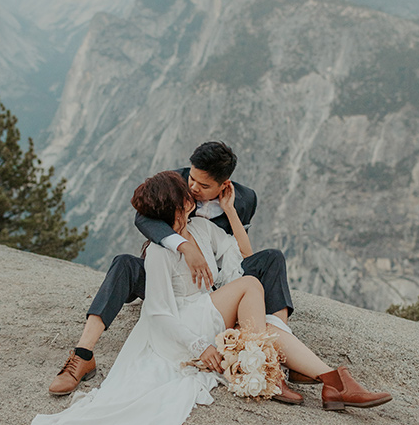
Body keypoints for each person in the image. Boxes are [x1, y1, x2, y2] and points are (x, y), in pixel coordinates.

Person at [0, 172, 392, 425]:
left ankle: (328, 380)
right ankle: (295, 373)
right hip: (184, 321)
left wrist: (230, 219)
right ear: (173, 209)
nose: (194, 200)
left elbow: (238, 258)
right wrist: (201, 345)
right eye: (187, 199)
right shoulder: (160, 252)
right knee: (252, 294)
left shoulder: (202, 226)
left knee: (257, 302)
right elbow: (159, 314)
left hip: (208, 307)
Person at [49, 141, 301, 401]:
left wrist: (230, 211)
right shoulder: (175, 182)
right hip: (170, 276)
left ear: (224, 184)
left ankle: (279, 352)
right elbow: (142, 218)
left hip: (217, 282)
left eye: (204, 186)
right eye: (192, 178)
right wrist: (184, 247)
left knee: (273, 258)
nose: (193, 188)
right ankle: (82, 355)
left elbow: (237, 250)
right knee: (123, 263)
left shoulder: (246, 198)